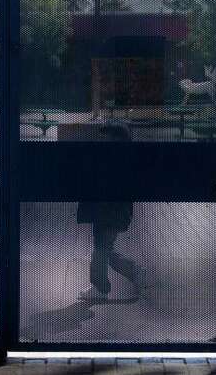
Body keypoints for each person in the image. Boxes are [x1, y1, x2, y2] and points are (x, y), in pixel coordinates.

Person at [76, 123, 142, 301]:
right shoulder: (120, 159)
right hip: (110, 214)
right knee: (105, 249)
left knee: (100, 249)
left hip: (110, 214)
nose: (100, 141)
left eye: (105, 138)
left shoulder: (114, 161)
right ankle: (135, 272)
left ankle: (100, 288)